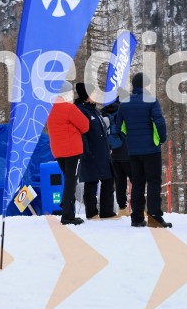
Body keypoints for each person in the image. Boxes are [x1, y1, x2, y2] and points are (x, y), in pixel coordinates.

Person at [117, 73, 171, 228]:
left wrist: (128, 139)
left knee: (138, 182)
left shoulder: (124, 103)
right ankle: (154, 217)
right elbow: (159, 121)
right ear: (146, 85)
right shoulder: (151, 101)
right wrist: (161, 138)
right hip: (151, 149)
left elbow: (120, 125)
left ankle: (136, 217)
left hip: (133, 150)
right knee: (153, 182)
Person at [46, 81, 89, 226]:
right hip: (72, 151)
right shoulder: (69, 108)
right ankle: (67, 215)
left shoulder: (49, 109)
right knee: (71, 182)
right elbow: (85, 126)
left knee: (68, 180)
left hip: (58, 151)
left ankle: (66, 208)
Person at [74, 84, 116, 219]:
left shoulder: (95, 110)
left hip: (102, 152)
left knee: (108, 179)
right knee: (91, 182)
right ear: (86, 97)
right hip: (90, 153)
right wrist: (86, 151)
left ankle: (107, 211)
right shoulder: (81, 110)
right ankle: (92, 212)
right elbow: (82, 133)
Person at [101, 94, 132, 217]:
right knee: (136, 180)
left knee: (119, 182)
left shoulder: (106, 113)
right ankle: (138, 206)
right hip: (127, 151)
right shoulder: (125, 111)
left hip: (113, 152)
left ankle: (122, 208)